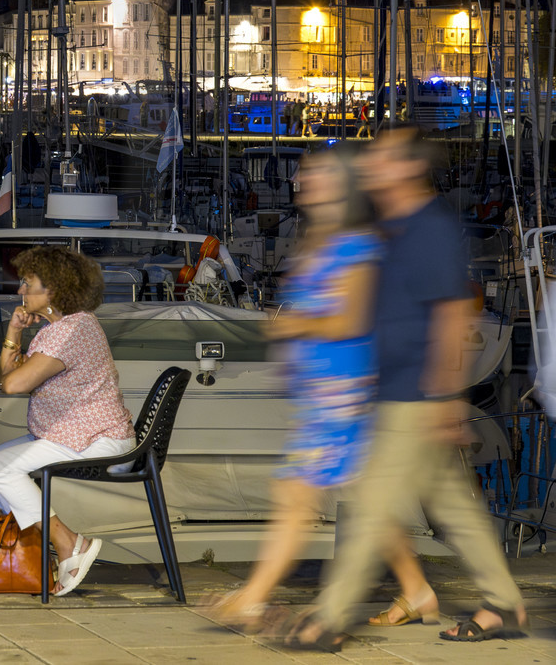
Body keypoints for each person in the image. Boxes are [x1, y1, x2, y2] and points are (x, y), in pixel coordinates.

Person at [288, 126, 526, 649]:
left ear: (408, 169)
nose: (370, 163)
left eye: (383, 156)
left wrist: (447, 398)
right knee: (453, 505)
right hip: (391, 389)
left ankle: (329, 618)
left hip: (415, 395)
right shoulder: (387, 228)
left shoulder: (429, 229)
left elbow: (449, 314)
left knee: (371, 504)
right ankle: (505, 603)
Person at [201, 144, 434, 631]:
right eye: (307, 174)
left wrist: (290, 326)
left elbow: (351, 319)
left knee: (294, 493)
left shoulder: (358, 244)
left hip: (343, 393)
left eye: (322, 173)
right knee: (366, 497)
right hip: (321, 393)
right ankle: (418, 590)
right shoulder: (318, 240)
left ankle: (253, 598)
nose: (308, 181)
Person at [0, 245, 134, 596]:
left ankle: (69, 544)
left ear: (53, 289)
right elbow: (10, 377)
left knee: (2, 469)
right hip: (74, 434)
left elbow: (12, 384)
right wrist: (15, 330)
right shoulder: (67, 326)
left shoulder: (70, 331)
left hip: (98, 440)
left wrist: (16, 340)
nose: (20, 291)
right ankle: (31, 556)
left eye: (27, 283)